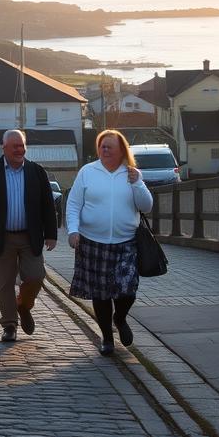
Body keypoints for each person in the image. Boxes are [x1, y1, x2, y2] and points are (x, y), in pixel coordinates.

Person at [66, 129, 153, 356]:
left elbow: (147, 206)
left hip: (126, 242)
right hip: (93, 242)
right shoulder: (88, 172)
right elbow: (73, 204)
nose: (104, 149)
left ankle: (120, 318)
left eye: (109, 146)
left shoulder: (132, 174)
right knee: (101, 294)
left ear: (121, 150)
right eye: (101, 146)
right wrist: (73, 231)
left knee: (128, 290)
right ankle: (106, 337)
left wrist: (138, 184)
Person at [0, 129, 58, 343]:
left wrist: (51, 234)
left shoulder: (37, 172)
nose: (20, 150)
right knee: (4, 283)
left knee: (36, 276)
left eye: (22, 146)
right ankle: (9, 325)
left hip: (31, 237)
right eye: (15, 146)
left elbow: (48, 205)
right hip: (2, 237)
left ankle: (23, 305)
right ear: (4, 148)